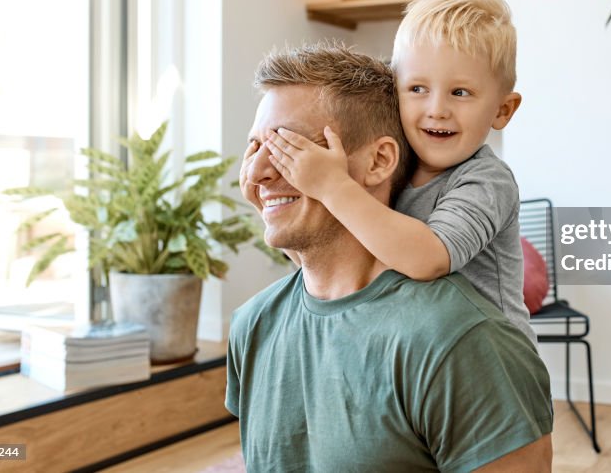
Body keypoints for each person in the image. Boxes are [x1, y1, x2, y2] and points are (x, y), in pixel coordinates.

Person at [228, 44, 553, 472]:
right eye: (254, 147)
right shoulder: (253, 325)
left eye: (288, 146)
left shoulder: (461, 343)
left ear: (379, 161)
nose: (257, 173)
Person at [263, 0, 536, 344]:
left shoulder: (486, 180)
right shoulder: (393, 168)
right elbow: (340, 261)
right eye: (418, 88)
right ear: (395, 92)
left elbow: (428, 259)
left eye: (460, 93)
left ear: (503, 110)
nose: (437, 109)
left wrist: (332, 187)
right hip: (421, 352)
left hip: (491, 365)